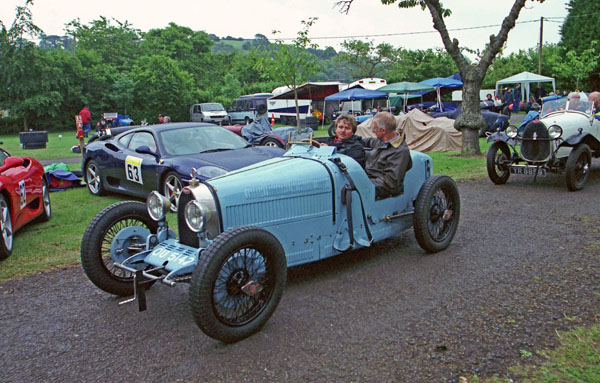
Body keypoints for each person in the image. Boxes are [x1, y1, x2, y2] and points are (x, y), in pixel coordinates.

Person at [362, 112, 412, 198]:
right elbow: (368, 141)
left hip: (384, 188)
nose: (373, 131)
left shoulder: (400, 151)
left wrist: (364, 183)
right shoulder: (382, 141)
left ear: (383, 130)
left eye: (375, 128)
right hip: (370, 179)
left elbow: (391, 182)